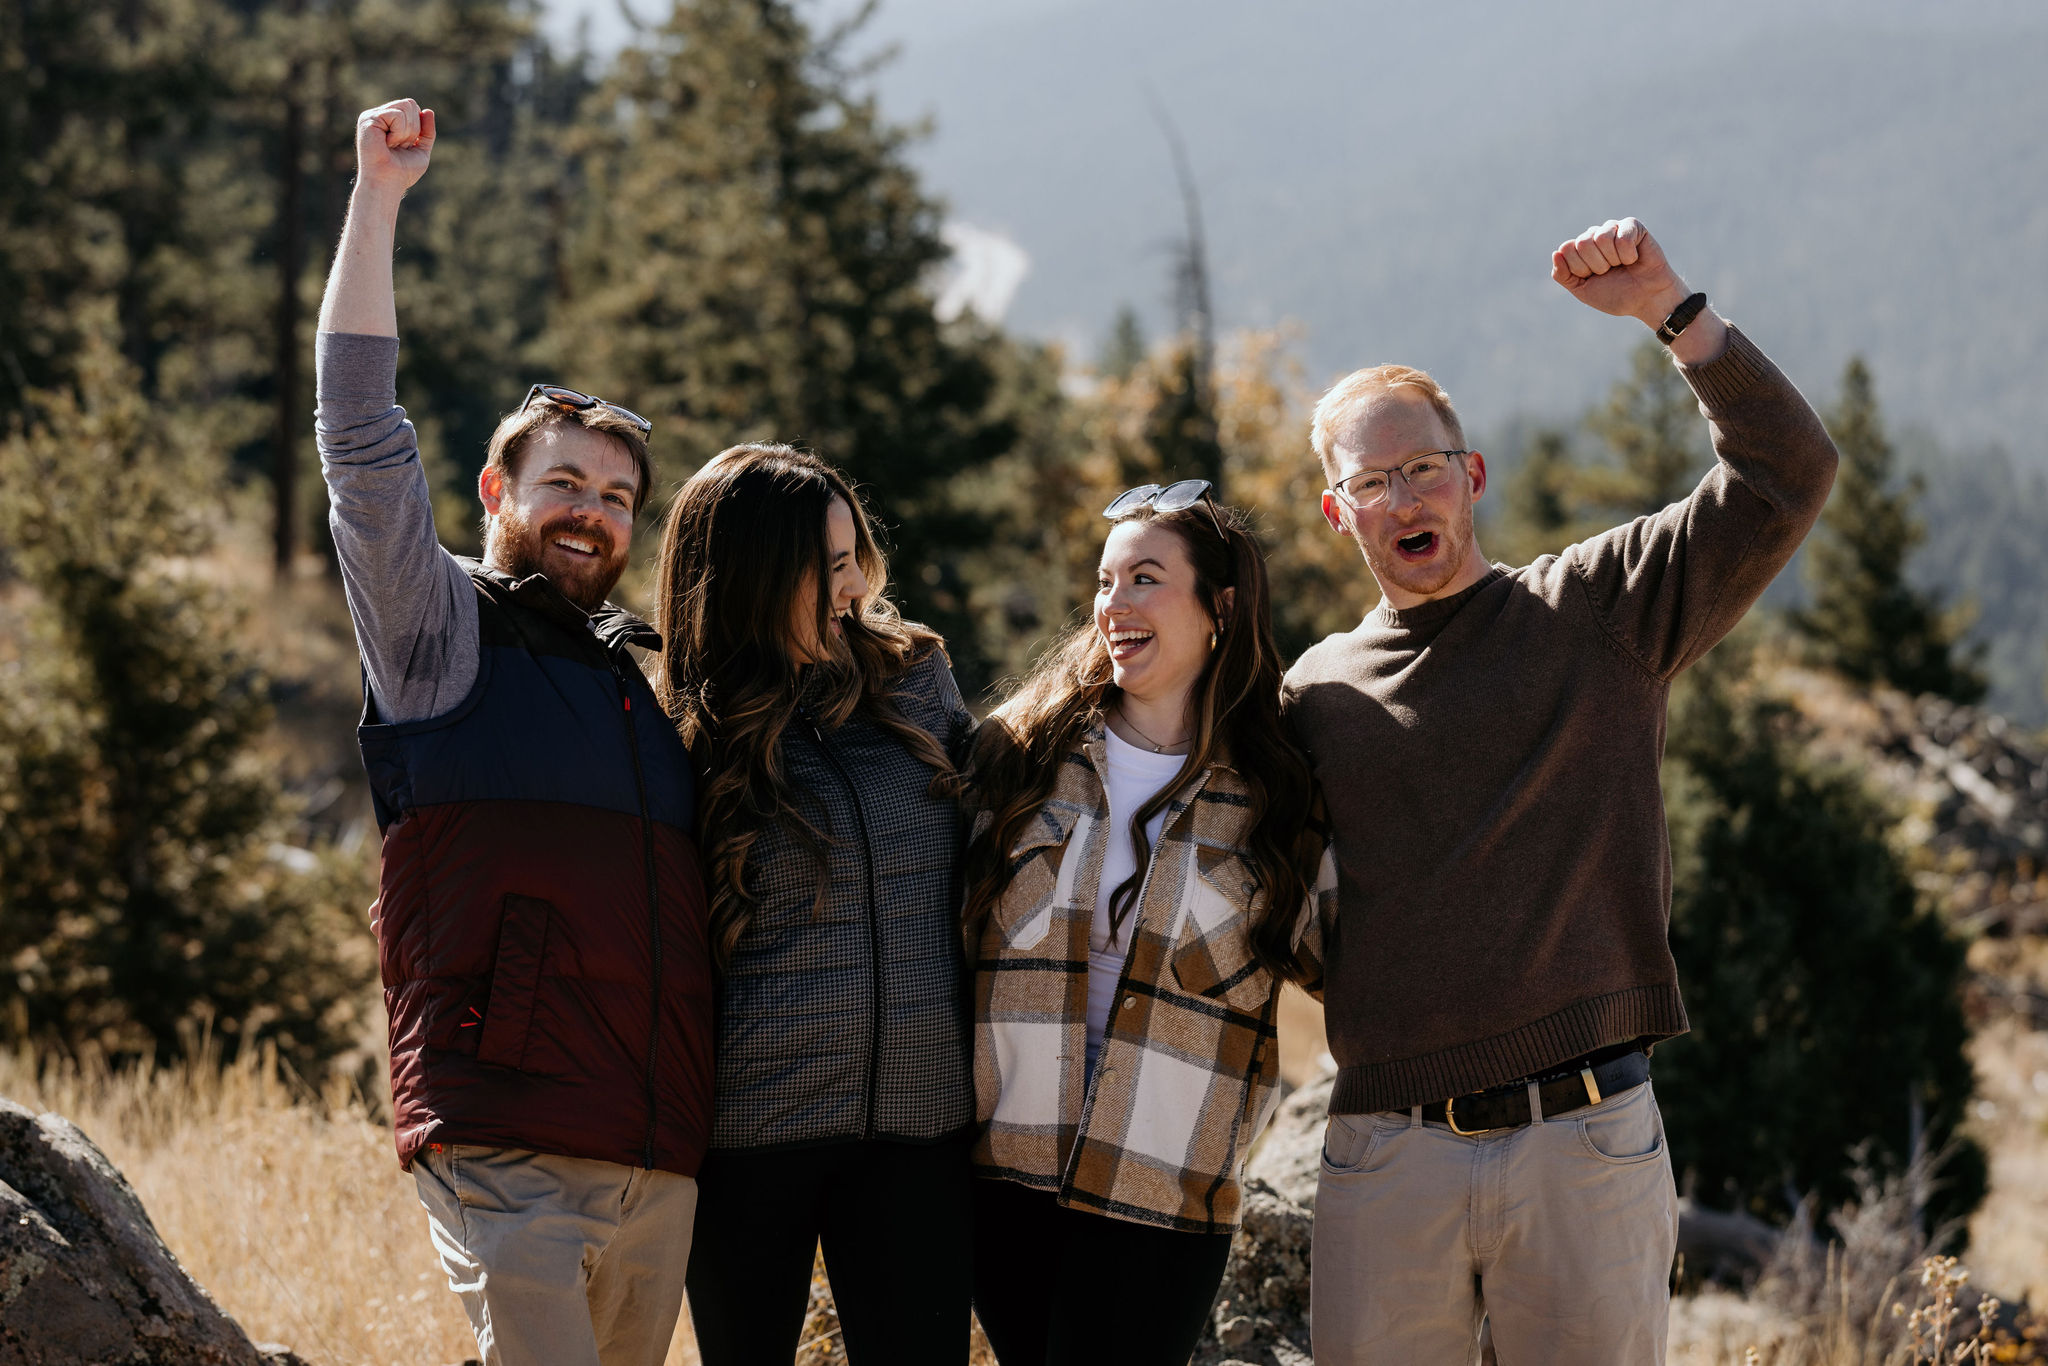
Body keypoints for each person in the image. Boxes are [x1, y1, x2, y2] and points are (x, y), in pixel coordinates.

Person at [1284, 217, 1840, 1364]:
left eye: (1423, 467)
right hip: (1385, 1155)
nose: (1402, 498)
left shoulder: (1594, 610)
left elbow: (1788, 476)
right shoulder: (1311, 694)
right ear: (1337, 512)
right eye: (1371, 480)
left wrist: (1673, 317)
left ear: (1469, 475)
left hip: (1583, 1136)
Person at [314, 98, 713, 1366]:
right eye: (562, 484)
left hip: (655, 1155)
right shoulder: (437, 624)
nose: (590, 514)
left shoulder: (637, 690)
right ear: (497, 491)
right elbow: (359, 438)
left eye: (613, 497)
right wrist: (377, 198)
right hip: (509, 1150)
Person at [960, 482, 1336, 1366]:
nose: (1113, 605)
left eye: (1146, 579)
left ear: (1222, 607)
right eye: (1104, 581)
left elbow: (1342, 963)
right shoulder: (1020, 756)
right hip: (1007, 1169)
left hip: (1167, 1188)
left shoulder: (1278, 794)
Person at [652, 444, 978, 1366]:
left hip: (921, 1124)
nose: (853, 587)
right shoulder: (691, 729)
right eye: (825, 567)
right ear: (754, 577)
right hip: (750, 1136)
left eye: (854, 558)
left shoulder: (916, 675)